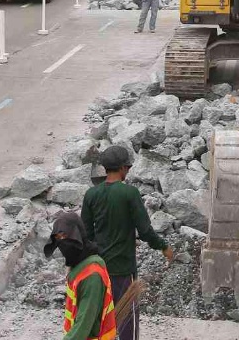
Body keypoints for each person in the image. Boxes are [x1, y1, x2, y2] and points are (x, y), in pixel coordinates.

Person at [81, 145, 174, 340]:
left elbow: (87, 235)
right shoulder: (129, 193)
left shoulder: (91, 195)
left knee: (101, 319)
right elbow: (145, 230)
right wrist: (163, 246)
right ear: (123, 168)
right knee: (126, 323)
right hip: (122, 269)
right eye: (128, 167)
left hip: (98, 269)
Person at [44, 211, 117, 340]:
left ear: (77, 237)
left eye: (65, 237)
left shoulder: (92, 275)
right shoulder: (79, 265)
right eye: (58, 239)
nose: (62, 244)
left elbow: (83, 325)